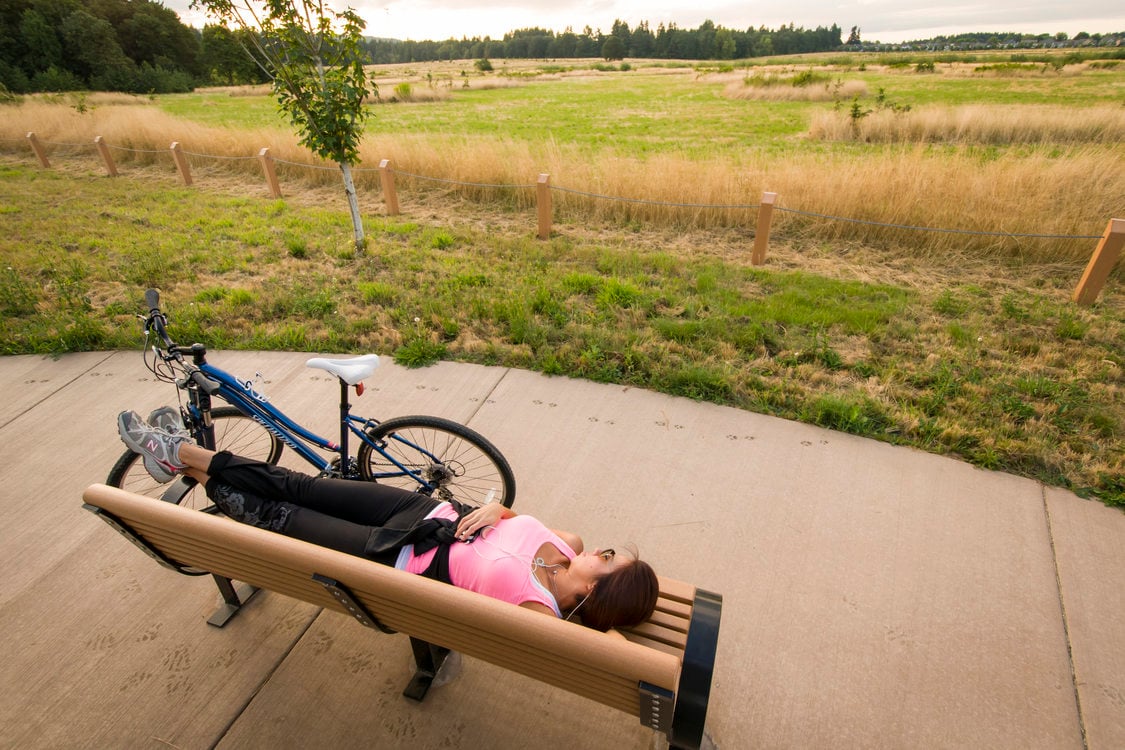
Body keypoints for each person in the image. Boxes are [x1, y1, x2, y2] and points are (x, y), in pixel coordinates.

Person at [117, 410, 658, 632]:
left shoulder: (539, 612)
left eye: (609, 562)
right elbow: (516, 521)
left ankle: (181, 460)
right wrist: (497, 510)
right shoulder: (569, 544)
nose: (599, 552)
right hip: (422, 512)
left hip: (389, 556)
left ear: (596, 588)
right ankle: (180, 451)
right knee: (301, 485)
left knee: (285, 515)